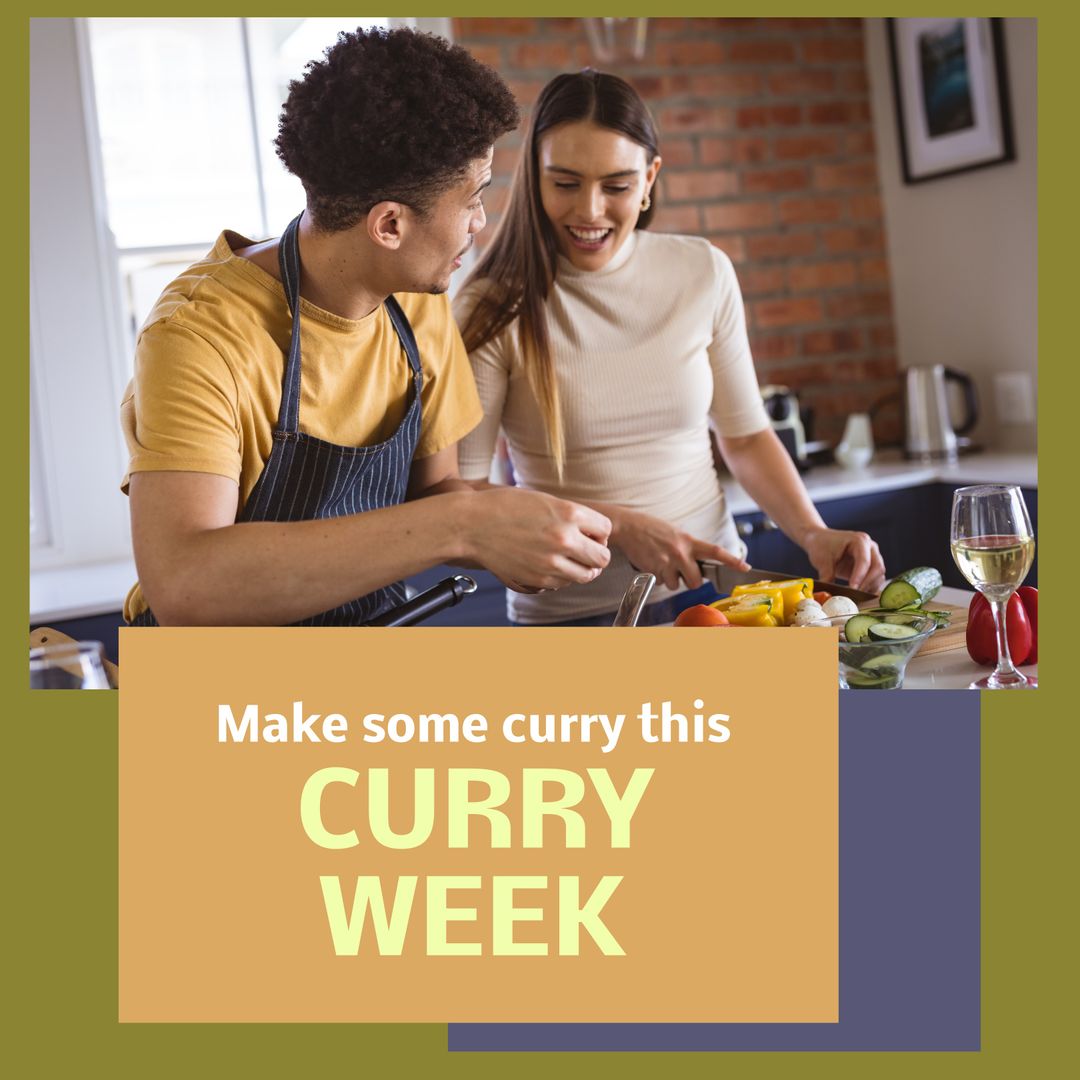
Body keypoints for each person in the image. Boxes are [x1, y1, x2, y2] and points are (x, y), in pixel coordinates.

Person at [120, 29, 611, 627]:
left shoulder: (416, 297)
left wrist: (528, 529)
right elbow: (187, 586)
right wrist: (464, 525)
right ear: (389, 226)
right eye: (473, 199)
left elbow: (435, 493)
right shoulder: (198, 337)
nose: (481, 221)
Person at [454, 70, 885, 626]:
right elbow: (467, 495)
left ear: (650, 178)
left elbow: (746, 437)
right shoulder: (492, 305)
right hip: (576, 619)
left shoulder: (701, 271)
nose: (589, 211)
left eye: (616, 186)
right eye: (565, 183)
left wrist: (813, 532)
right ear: (535, 176)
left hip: (719, 599)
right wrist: (620, 526)